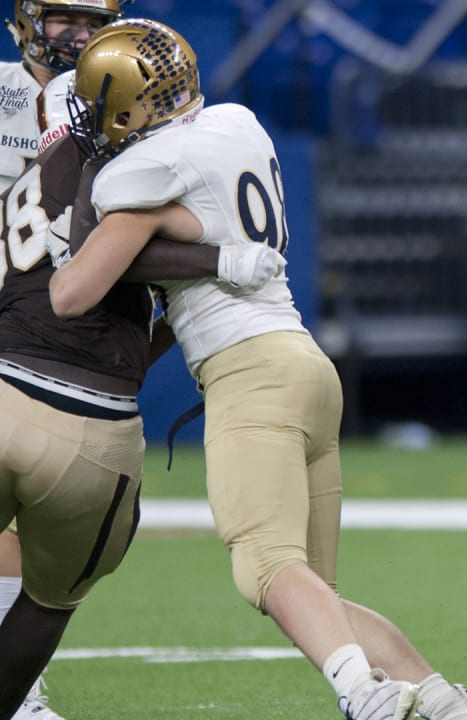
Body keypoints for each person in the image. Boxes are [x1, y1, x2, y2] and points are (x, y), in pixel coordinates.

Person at [45, 19, 467, 720]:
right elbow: (197, 262)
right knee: (316, 594)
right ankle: (444, 705)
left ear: (134, 107)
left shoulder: (145, 171)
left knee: (264, 564)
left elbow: (71, 292)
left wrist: (83, 174)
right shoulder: (235, 124)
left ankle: (365, 695)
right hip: (306, 366)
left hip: (251, 375)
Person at [0, 94, 285, 720]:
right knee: (51, 600)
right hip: (89, 414)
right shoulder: (119, 166)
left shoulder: (27, 179)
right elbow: (90, 275)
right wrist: (223, 261)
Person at [0, 2, 120, 717]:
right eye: (62, 17)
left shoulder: (119, 96)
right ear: (27, 20)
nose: (78, 33)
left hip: (51, 325)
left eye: (91, 18)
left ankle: (23, 694)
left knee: (22, 519)